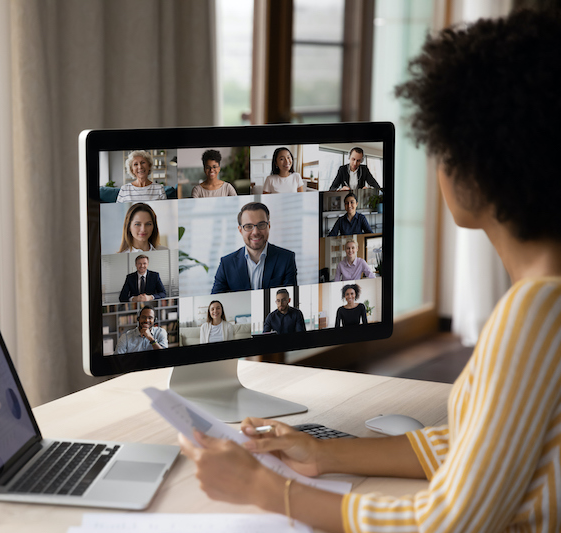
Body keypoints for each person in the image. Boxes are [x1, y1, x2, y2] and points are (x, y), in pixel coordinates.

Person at [178, 8, 561, 532]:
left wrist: (266, 490)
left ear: (476, 168)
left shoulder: (537, 310)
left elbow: (447, 522)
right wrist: (321, 452)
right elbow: (476, 444)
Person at [211, 202, 297, 294]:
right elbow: (216, 299)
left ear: (269, 226)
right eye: (248, 226)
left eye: (261, 225)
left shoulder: (286, 258)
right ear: (240, 230)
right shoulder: (226, 264)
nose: (255, 232)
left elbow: (289, 296)